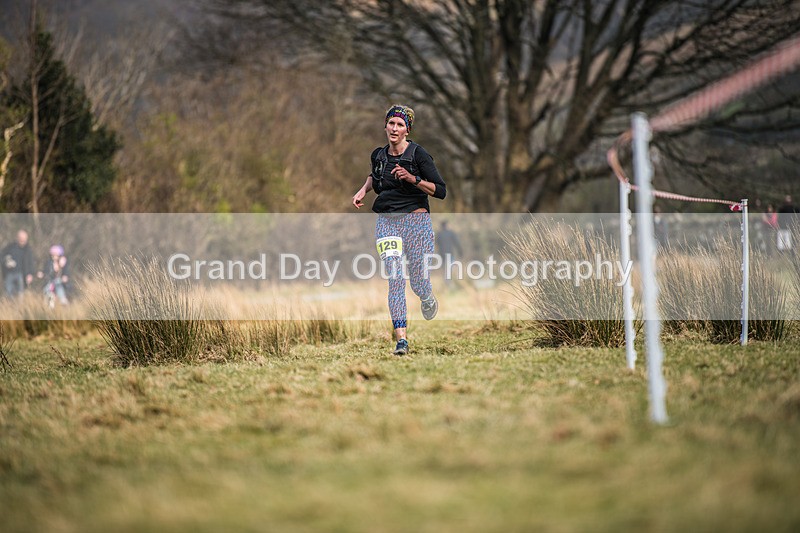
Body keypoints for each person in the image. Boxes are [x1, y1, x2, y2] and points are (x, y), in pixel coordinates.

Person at [352, 104, 447, 355]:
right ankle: (401, 339)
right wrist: (364, 190)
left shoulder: (419, 155)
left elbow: (441, 190)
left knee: (417, 279)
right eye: (391, 123)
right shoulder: (379, 155)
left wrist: (412, 178)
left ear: (407, 130)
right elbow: (375, 175)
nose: (394, 129)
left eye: (400, 125)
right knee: (395, 278)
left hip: (416, 223)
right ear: (385, 125)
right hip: (387, 222)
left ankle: (426, 296)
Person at [2, 229, 35, 298]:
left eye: (24, 239)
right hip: (9, 274)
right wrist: (6, 261)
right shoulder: (10, 247)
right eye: (21, 238)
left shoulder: (28, 250)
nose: (22, 241)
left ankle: (19, 307)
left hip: (21, 274)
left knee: (20, 293)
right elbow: (2, 256)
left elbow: (30, 262)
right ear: (17, 238)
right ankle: (9, 306)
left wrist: (30, 274)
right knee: (8, 292)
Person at [436, 220, 462, 289]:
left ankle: (447, 284)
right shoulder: (451, 233)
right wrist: (460, 251)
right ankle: (451, 284)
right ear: (446, 225)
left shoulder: (439, 234)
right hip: (450, 254)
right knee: (451, 268)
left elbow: (437, 245)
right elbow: (457, 242)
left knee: (445, 270)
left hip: (442, 255)